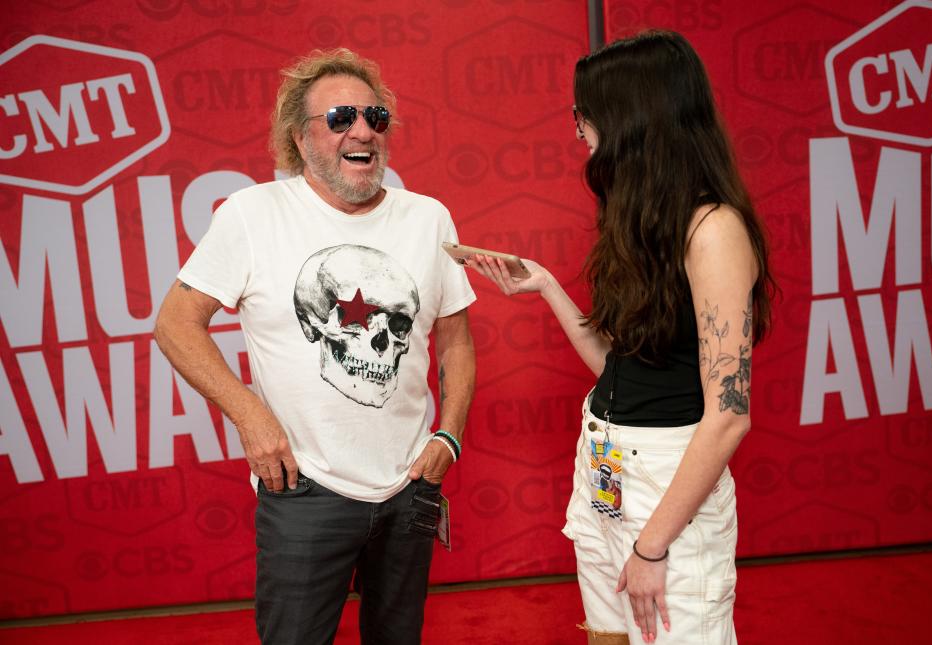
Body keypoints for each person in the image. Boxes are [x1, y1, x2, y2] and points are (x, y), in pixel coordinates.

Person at [154, 48, 476, 644]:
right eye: (340, 119)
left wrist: (448, 436)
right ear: (299, 140)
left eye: (375, 118)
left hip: (411, 487)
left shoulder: (429, 218)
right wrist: (251, 416)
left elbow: (455, 341)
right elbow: (175, 323)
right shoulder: (253, 215)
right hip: (304, 491)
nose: (363, 131)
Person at [467, 30, 774, 644]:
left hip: (668, 485)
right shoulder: (639, 218)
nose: (577, 129)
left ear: (631, 116)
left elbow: (729, 416)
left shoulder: (713, 229)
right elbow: (619, 369)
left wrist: (653, 547)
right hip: (604, 466)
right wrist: (549, 286)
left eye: (583, 113)